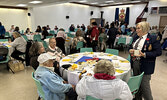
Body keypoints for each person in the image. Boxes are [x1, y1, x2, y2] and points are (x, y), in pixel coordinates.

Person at [129, 21, 162, 100]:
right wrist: (130, 50)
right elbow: (131, 46)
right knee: (137, 84)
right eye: (136, 28)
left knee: (145, 86)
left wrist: (145, 54)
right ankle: (137, 98)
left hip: (146, 65)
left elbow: (158, 52)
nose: (136, 30)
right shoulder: (136, 37)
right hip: (135, 63)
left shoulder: (153, 38)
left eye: (138, 28)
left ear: (144, 29)